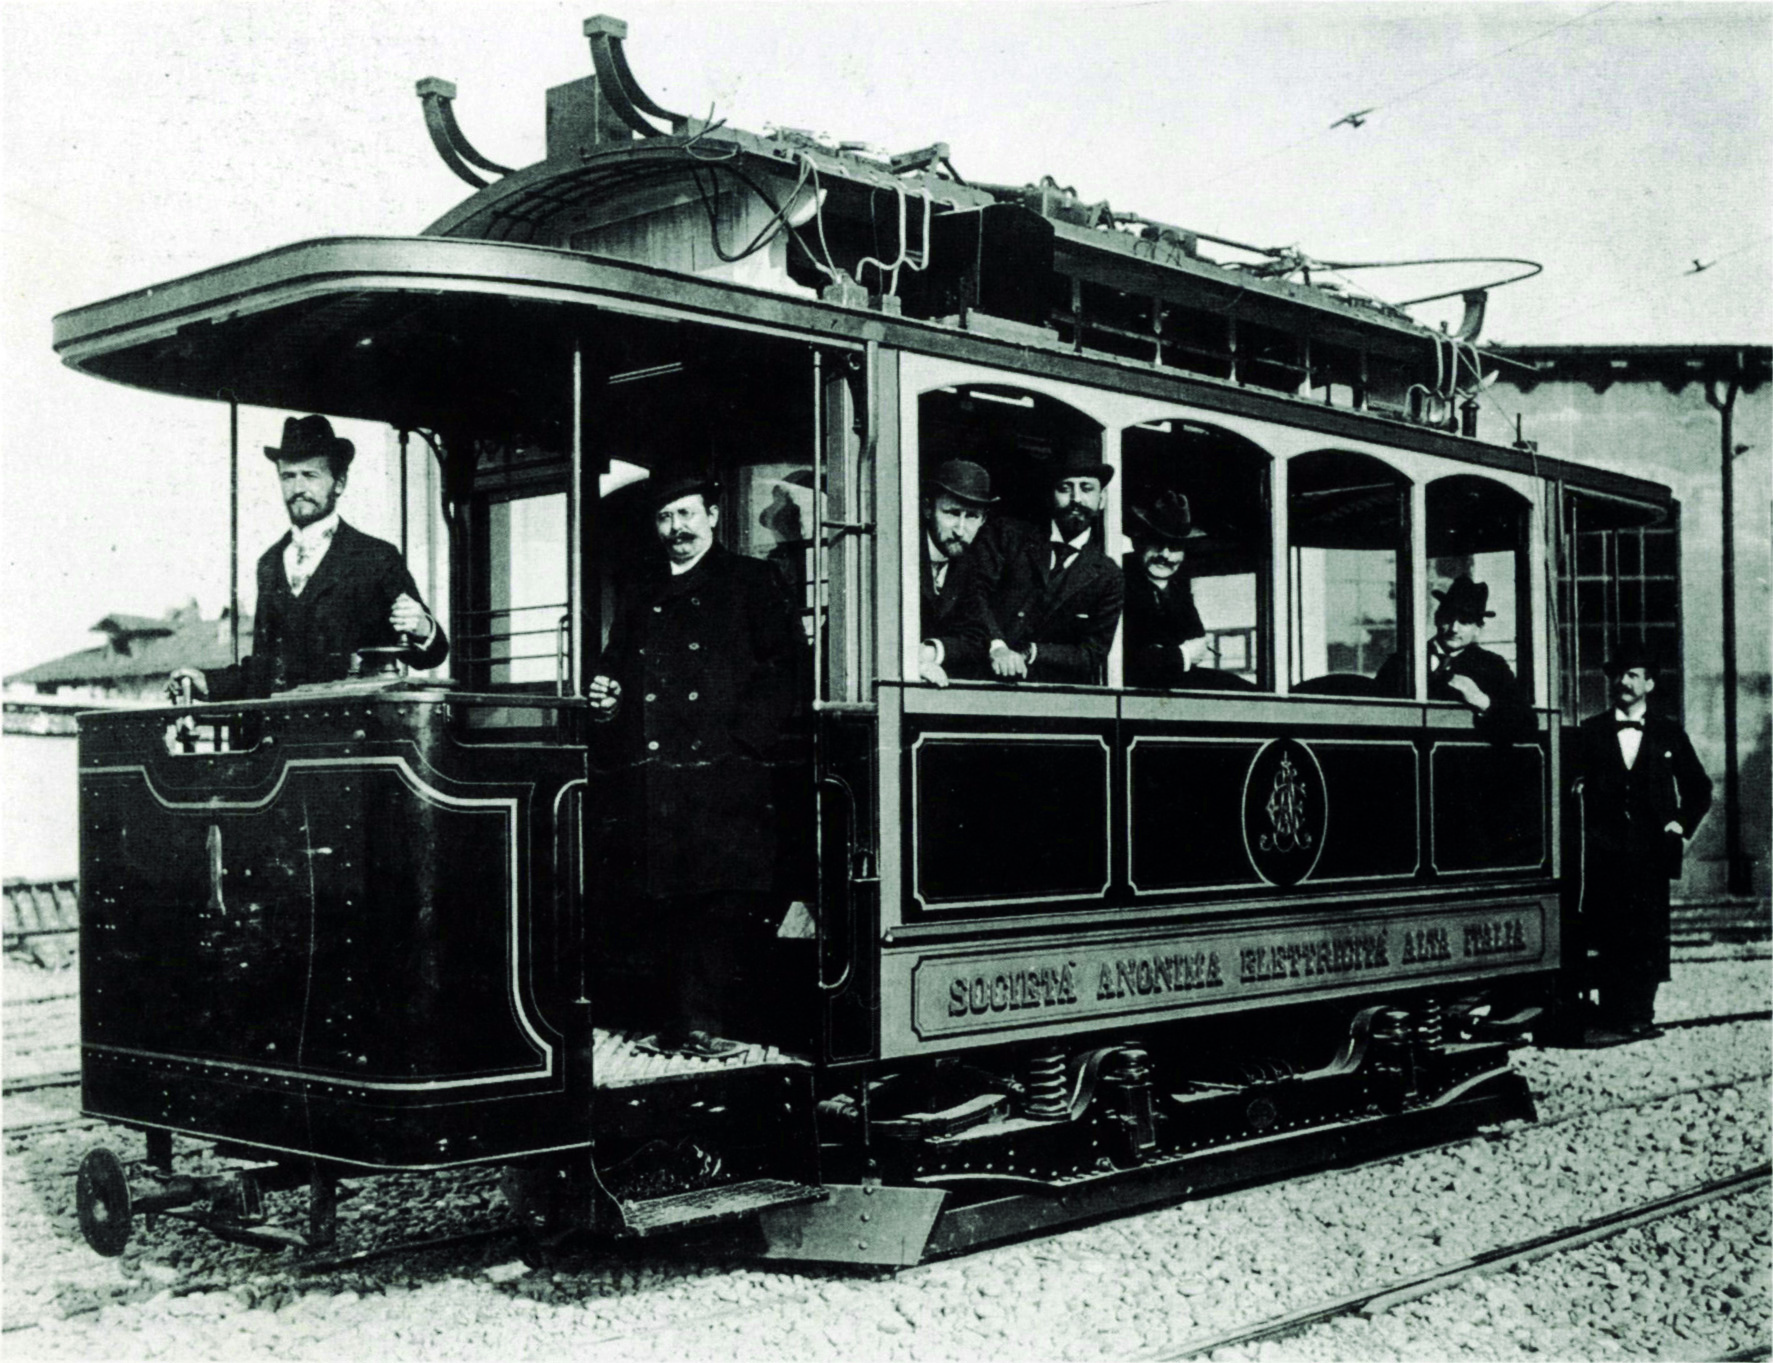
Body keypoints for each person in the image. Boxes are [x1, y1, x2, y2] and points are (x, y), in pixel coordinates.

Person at [587, 473, 803, 1059]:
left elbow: (786, 671)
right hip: (657, 778)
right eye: (664, 519)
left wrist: (741, 747)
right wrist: (605, 700)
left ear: (711, 515)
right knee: (662, 902)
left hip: (724, 776)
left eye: (685, 514)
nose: (675, 529)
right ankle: (672, 1025)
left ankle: (704, 1024)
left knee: (716, 904)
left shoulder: (753, 581)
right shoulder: (641, 589)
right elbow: (612, 672)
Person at [166, 415, 447, 702]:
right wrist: (208, 683)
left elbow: (433, 655)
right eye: (288, 476)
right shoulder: (270, 563)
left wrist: (422, 627)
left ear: (338, 483)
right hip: (282, 734)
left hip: (354, 733)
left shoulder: (376, 557)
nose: (298, 488)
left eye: (310, 475)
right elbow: (264, 669)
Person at [1572, 640, 1712, 1044]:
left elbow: (1699, 787)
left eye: (1633, 675)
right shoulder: (1591, 731)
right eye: (1618, 674)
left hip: (1651, 854)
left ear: (1650, 683)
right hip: (1604, 853)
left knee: (1647, 935)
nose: (1623, 682)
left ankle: (1640, 1015)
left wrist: (1680, 826)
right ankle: (1613, 1013)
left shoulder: (1669, 732)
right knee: (1610, 933)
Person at [948, 443, 1125, 685]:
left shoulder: (1108, 575)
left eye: (1086, 489)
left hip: (1048, 700)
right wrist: (997, 646)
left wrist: (1032, 652)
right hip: (977, 683)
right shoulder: (1006, 535)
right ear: (1051, 494)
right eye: (1065, 488)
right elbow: (974, 593)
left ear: (1101, 499)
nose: (1076, 499)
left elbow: (1091, 654)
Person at [1376, 577, 1531, 739]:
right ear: (1437, 619)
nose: (1454, 629)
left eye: (1464, 622)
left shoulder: (1493, 666)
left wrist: (1483, 701)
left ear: (1478, 629)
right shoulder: (1403, 661)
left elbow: (1527, 723)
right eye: (1448, 619)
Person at [915, 459, 995, 687]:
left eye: (971, 516)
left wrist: (931, 652)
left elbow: (979, 637)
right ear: (927, 509)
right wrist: (910, 662)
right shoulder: (901, 553)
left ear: (983, 519)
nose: (961, 530)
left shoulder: (974, 561)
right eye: (951, 513)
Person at [1121, 490, 1209, 689]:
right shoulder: (1117, 583)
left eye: (1176, 547)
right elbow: (1126, 659)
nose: (1165, 555)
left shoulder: (1178, 592)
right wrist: (1182, 654)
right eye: (1157, 544)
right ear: (1138, 543)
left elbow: (1198, 643)